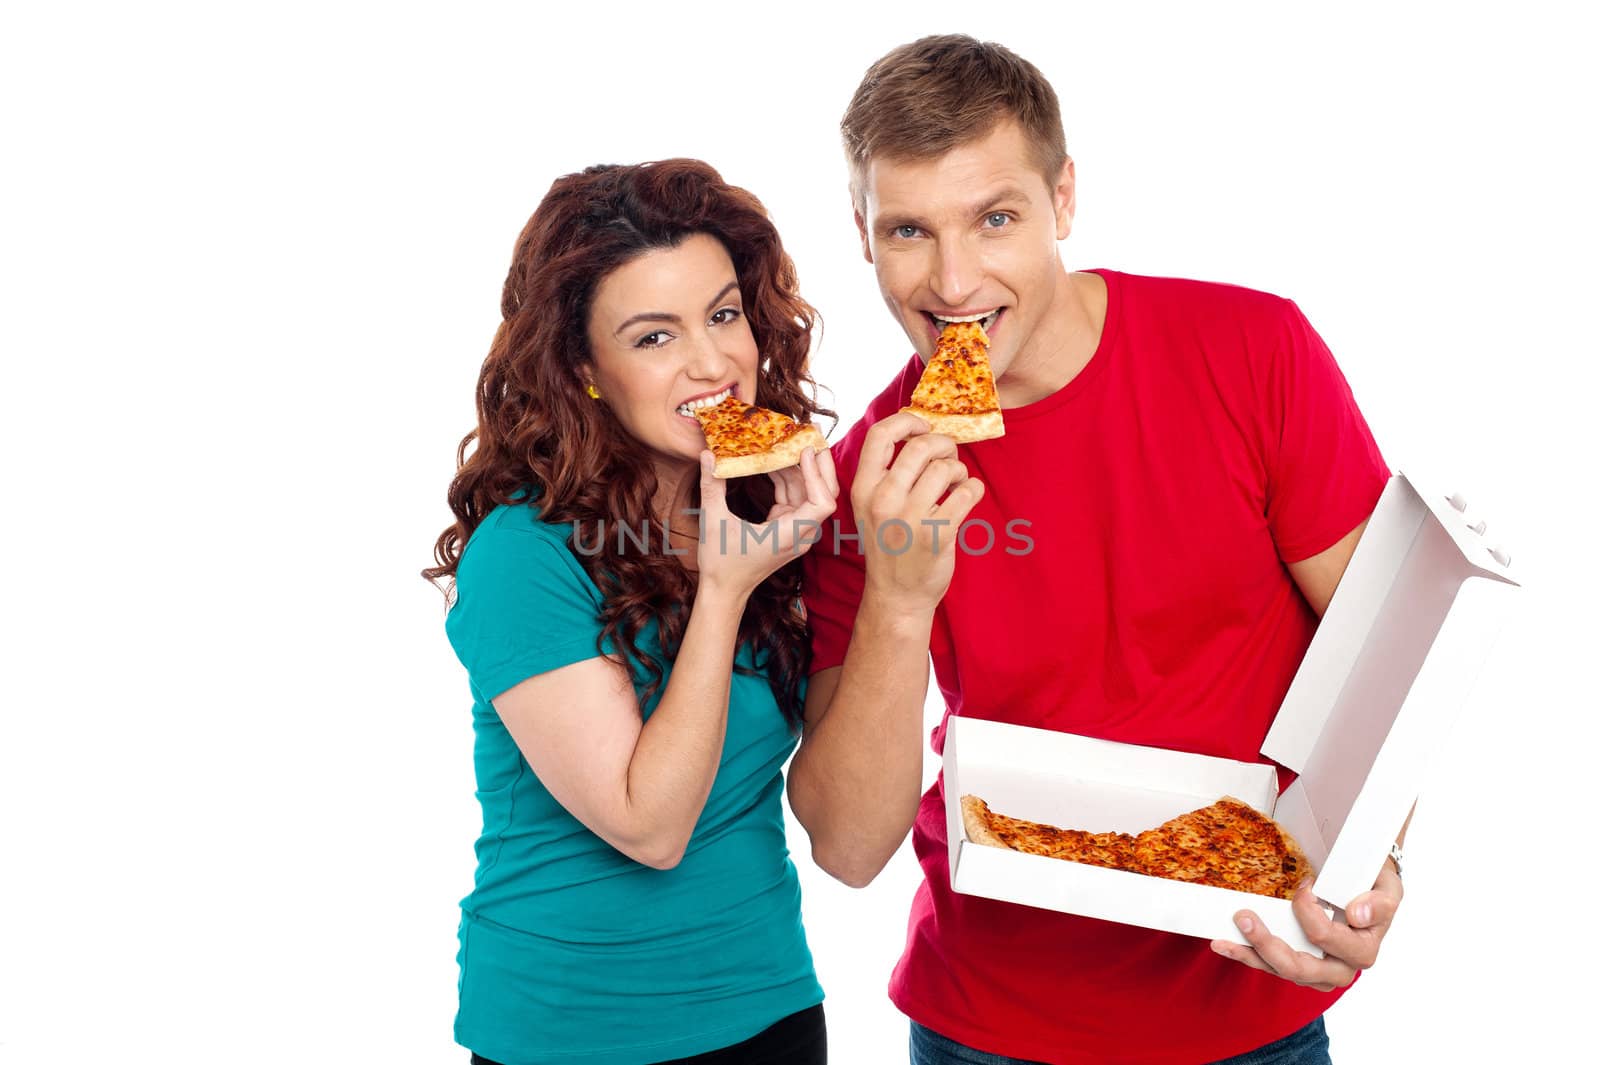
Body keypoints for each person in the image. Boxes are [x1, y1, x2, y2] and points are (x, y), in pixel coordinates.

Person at [789, 35, 1402, 1064]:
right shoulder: (869, 478)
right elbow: (849, 850)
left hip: (1249, 1003)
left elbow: (1384, 655)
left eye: (994, 219)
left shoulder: (1251, 352)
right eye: (908, 230)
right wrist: (900, 595)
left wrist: (1376, 862)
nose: (952, 281)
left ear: (1061, 200)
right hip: (983, 1024)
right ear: (861, 236)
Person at [423, 158, 842, 1065]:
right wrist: (726, 591)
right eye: (655, 338)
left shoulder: (764, 509)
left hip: (768, 1009)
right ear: (585, 369)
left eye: (723, 314)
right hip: (570, 1032)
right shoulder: (523, 553)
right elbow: (649, 826)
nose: (712, 363)